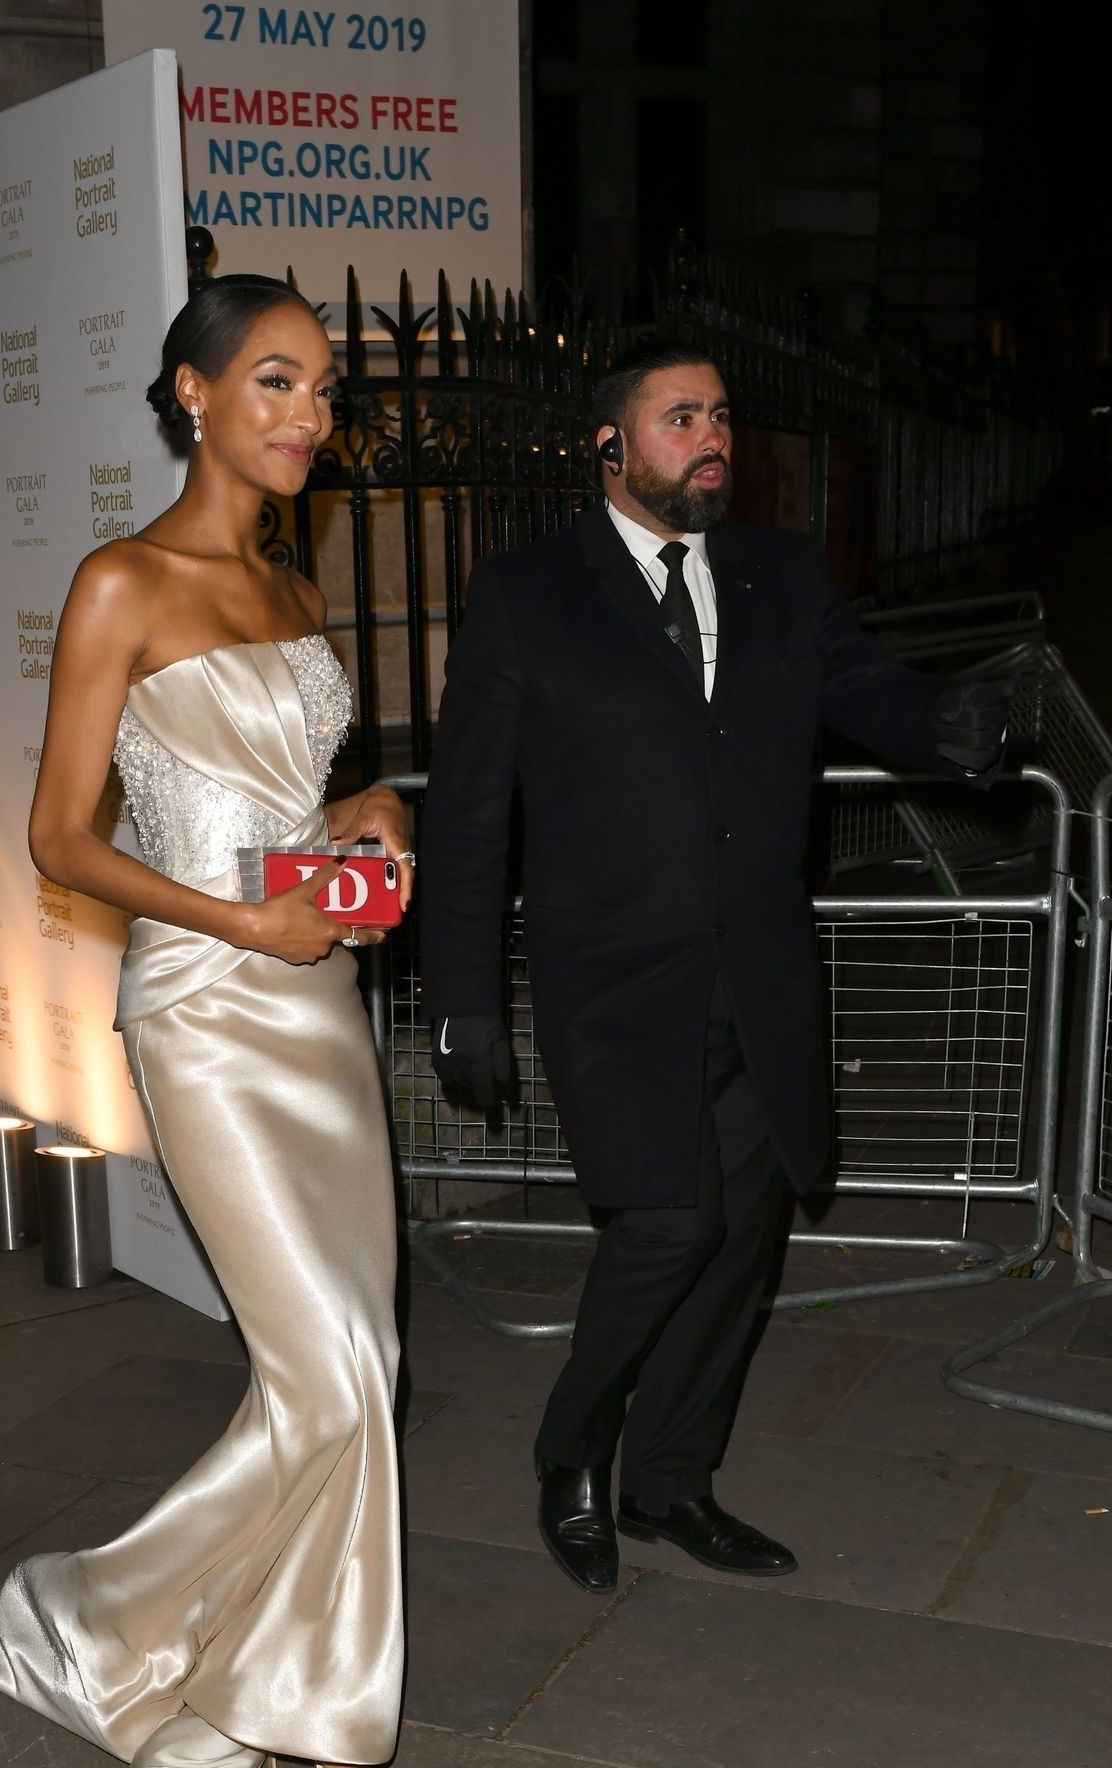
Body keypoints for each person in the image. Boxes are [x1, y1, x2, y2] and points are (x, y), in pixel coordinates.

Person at [419, 338, 1009, 1595]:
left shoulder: (779, 574)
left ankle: (670, 1481)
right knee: (668, 1223)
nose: (713, 439)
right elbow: (466, 815)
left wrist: (944, 726)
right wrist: (462, 1000)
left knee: (743, 1235)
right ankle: (570, 1451)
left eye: (722, 416)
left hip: (760, 975)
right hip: (615, 984)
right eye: (680, 417)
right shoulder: (529, 595)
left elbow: (868, 689)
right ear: (609, 446)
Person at [0, 275, 413, 1768]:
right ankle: (120, 1641)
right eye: (277, 380)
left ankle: (277, 1683)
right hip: (207, 1015)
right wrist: (241, 922)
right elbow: (61, 837)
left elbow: (279, 807)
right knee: (335, 1374)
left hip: (319, 1007)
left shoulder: (293, 587)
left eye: (325, 387)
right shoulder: (122, 583)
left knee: (353, 1371)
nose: (310, 414)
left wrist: (366, 813)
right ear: (193, 393)